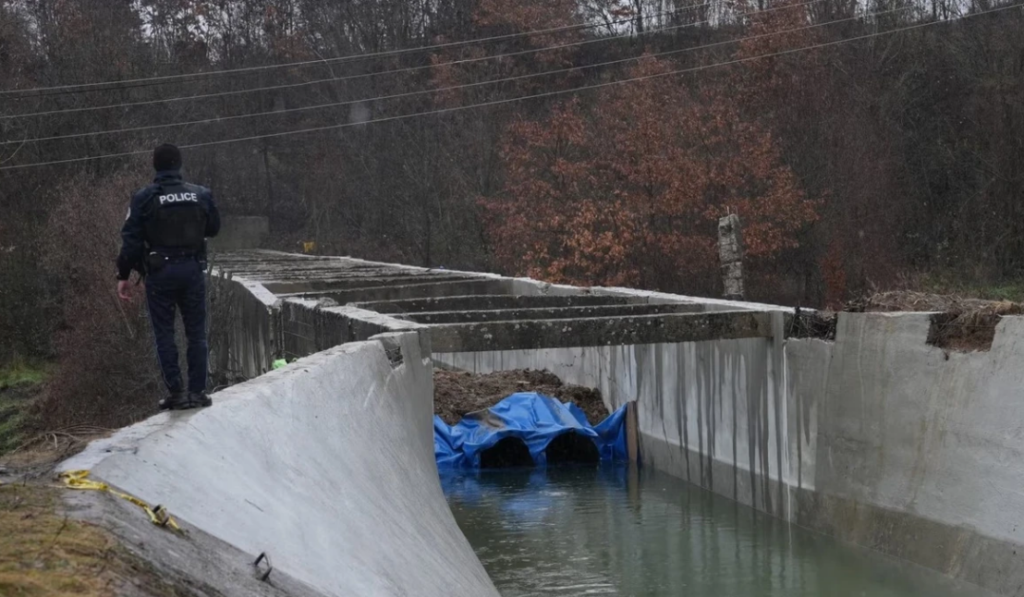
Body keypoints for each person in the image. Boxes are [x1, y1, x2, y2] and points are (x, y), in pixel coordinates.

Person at [116, 144, 221, 411]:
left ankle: (176, 392)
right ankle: (197, 393)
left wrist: (124, 275)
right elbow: (214, 227)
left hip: (160, 272)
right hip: (192, 270)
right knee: (196, 333)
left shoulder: (144, 198)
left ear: (156, 166)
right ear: (179, 165)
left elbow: (130, 240)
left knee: (164, 334)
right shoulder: (201, 195)